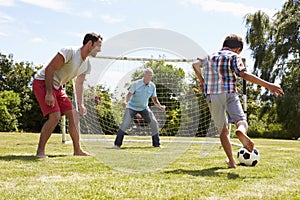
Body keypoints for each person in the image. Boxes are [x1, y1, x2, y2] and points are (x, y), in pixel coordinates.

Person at [192, 34, 284, 168]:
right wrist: (268, 85)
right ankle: (240, 130)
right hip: (229, 92)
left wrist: (202, 81)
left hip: (212, 95)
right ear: (237, 49)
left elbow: (195, 65)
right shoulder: (234, 56)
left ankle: (231, 161)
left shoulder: (210, 56)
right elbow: (243, 74)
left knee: (222, 130)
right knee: (241, 120)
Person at [32, 32, 103, 158]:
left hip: (58, 87)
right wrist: (49, 93)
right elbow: (50, 69)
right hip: (43, 83)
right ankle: (40, 152)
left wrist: (80, 104)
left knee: (74, 114)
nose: (100, 49)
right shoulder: (69, 51)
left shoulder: (86, 64)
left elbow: (79, 84)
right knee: (55, 116)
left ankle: (77, 150)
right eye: (98, 46)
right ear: (89, 44)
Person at [113, 68, 166, 148]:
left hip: (144, 108)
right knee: (124, 124)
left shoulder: (152, 86)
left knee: (154, 123)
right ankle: (117, 144)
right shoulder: (136, 84)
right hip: (132, 107)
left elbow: (155, 100)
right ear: (144, 75)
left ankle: (156, 144)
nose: (149, 77)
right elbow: (129, 95)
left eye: (151, 75)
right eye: (148, 75)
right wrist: (125, 101)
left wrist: (160, 106)